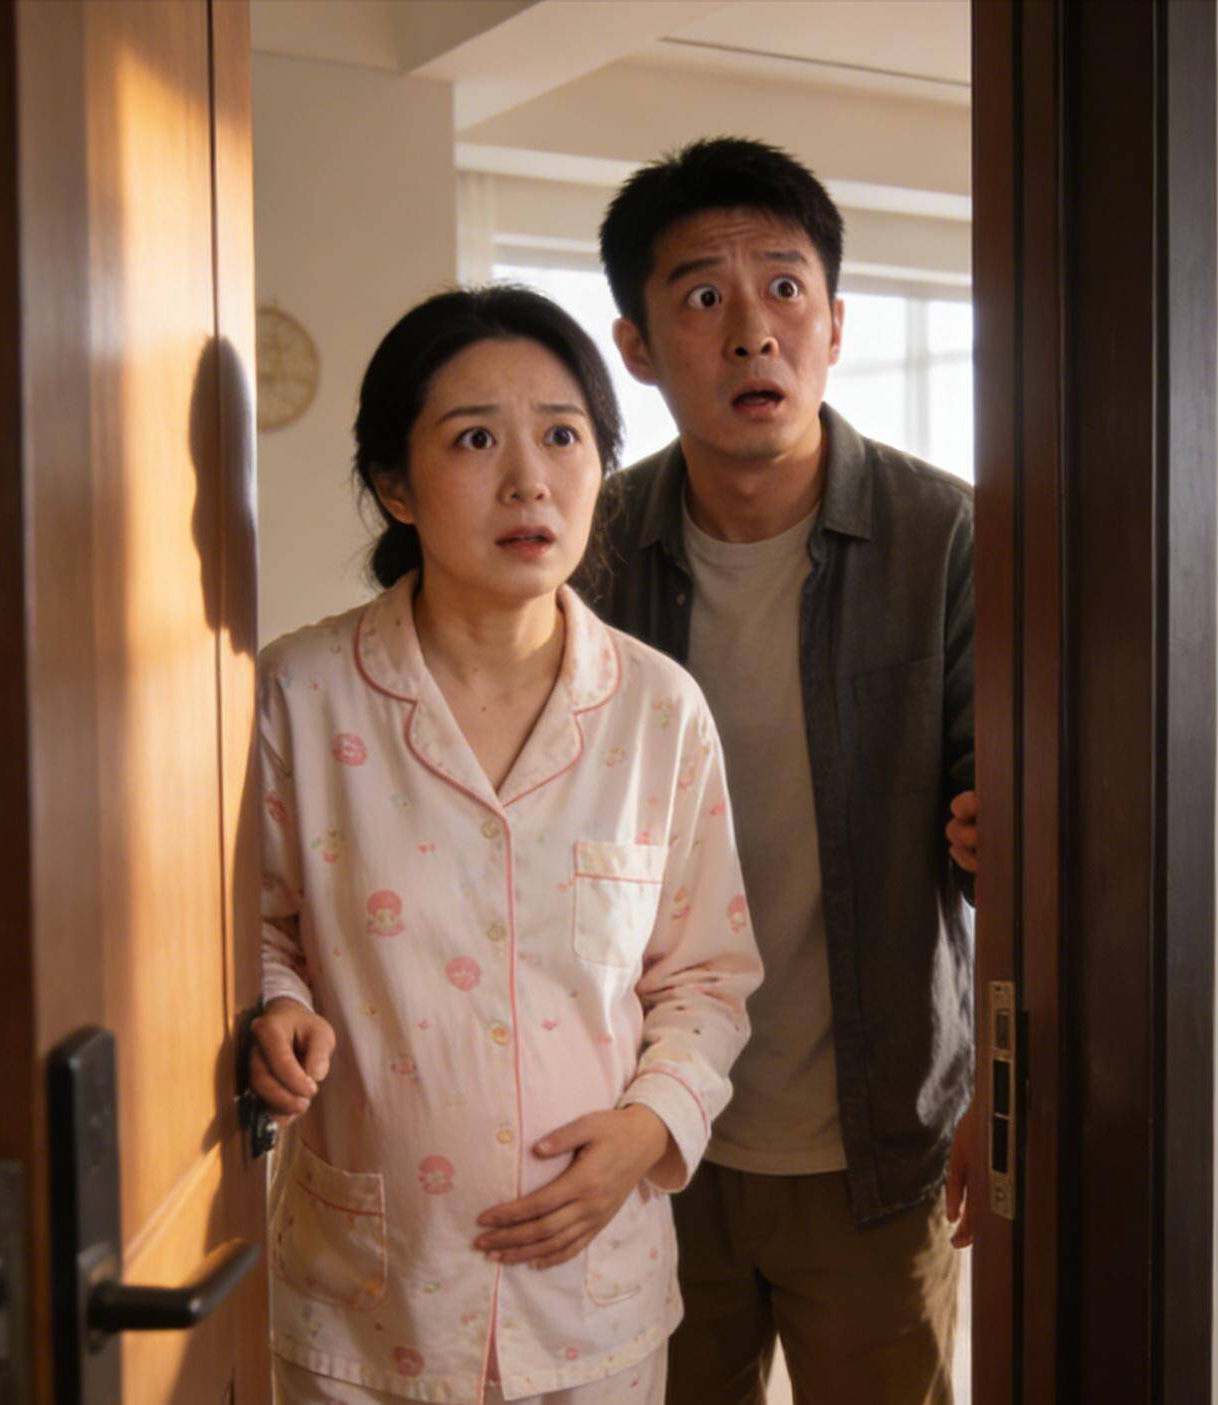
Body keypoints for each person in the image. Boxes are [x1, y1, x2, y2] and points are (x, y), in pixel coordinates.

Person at [248, 285, 765, 1405]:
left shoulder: (658, 711)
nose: (530, 479)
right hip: (368, 1296)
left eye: (563, 436)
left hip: (592, 1296)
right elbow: (255, 926)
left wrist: (649, 1126)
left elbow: (706, 976)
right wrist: (274, 1003)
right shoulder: (299, 693)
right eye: (475, 439)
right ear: (395, 484)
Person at [583, 137, 982, 1405]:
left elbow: (1013, 832)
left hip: (874, 1141)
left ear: (835, 323)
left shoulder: (946, 534)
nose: (753, 331)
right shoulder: (590, 549)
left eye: (785, 288)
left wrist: (1000, 1091)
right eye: (702, 296)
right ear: (638, 348)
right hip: (647, 1137)